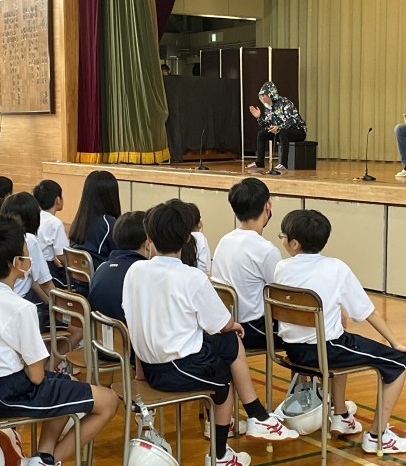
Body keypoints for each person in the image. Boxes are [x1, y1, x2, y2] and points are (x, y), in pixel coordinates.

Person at [122, 199, 298, 466]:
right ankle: (222, 452)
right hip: (174, 369)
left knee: (227, 342)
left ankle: (257, 416)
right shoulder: (190, 276)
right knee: (224, 377)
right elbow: (222, 323)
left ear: (149, 237)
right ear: (187, 239)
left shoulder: (134, 271)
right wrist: (233, 325)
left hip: (147, 365)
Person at [0, 214, 118, 466]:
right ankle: (49, 462)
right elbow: (38, 376)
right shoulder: (21, 308)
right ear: (17, 262)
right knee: (109, 401)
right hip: (11, 394)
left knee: (67, 383)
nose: (30, 255)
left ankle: (43, 457)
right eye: (26, 251)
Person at [274, 209, 406, 455]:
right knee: (399, 362)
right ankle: (377, 436)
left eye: (282, 236)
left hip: (293, 352)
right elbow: (368, 312)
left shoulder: (281, 268)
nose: (282, 240)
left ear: (294, 244)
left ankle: (341, 415)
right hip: (325, 352)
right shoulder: (336, 268)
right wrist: (395, 343)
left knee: (344, 338)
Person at [212, 178, 283, 350]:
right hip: (253, 331)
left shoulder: (224, 241)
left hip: (225, 323)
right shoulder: (266, 250)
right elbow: (282, 294)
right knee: (312, 329)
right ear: (268, 205)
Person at [247, 82, 306, 171]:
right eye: (261, 96)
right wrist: (259, 118)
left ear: (271, 94)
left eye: (264, 95)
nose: (262, 98)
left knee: (283, 132)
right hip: (281, 132)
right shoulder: (268, 107)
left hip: (297, 131)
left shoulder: (285, 102)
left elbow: (290, 121)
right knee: (261, 134)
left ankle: (283, 164)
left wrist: (278, 128)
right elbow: (267, 125)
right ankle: (259, 162)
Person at [68, 170, 121, 272]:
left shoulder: (79, 220)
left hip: (78, 279)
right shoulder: (108, 223)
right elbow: (120, 256)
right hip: (101, 278)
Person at [33, 179, 69, 288]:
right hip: (47, 269)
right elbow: (62, 255)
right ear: (58, 200)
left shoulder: (34, 216)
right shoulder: (55, 223)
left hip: (34, 266)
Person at [189, 202, 211, 275]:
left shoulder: (176, 237)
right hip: (197, 278)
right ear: (198, 223)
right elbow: (205, 268)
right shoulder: (200, 238)